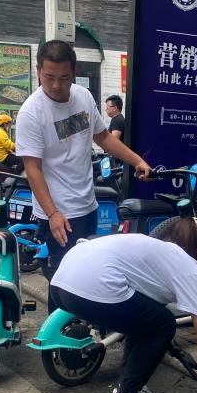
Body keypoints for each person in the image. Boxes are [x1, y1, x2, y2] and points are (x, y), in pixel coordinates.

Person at [49, 218, 197, 393]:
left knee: (146, 321)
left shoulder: (163, 252)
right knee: (164, 324)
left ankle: (131, 391)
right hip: (93, 286)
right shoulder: (189, 268)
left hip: (60, 283)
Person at [16, 41, 151, 279]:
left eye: (64, 77)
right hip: (59, 213)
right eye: (49, 77)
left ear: (75, 71)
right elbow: (33, 168)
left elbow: (103, 137)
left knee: (87, 277)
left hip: (88, 205)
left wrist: (136, 160)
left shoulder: (83, 97)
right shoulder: (32, 112)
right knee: (65, 280)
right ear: (38, 71)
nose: (56, 85)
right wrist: (52, 214)